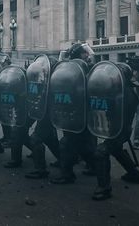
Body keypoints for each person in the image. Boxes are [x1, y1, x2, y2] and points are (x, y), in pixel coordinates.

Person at [91, 62, 139, 201]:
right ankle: (134, 174)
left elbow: (117, 112)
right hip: (114, 128)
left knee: (101, 151)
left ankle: (104, 188)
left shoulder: (126, 93)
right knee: (116, 150)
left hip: (121, 129)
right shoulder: (117, 90)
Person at [50, 42, 97, 184]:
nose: (87, 55)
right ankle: (90, 165)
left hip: (79, 110)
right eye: (84, 53)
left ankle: (69, 173)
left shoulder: (81, 67)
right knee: (80, 143)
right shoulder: (80, 67)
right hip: (74, 108)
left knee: (71, 142)